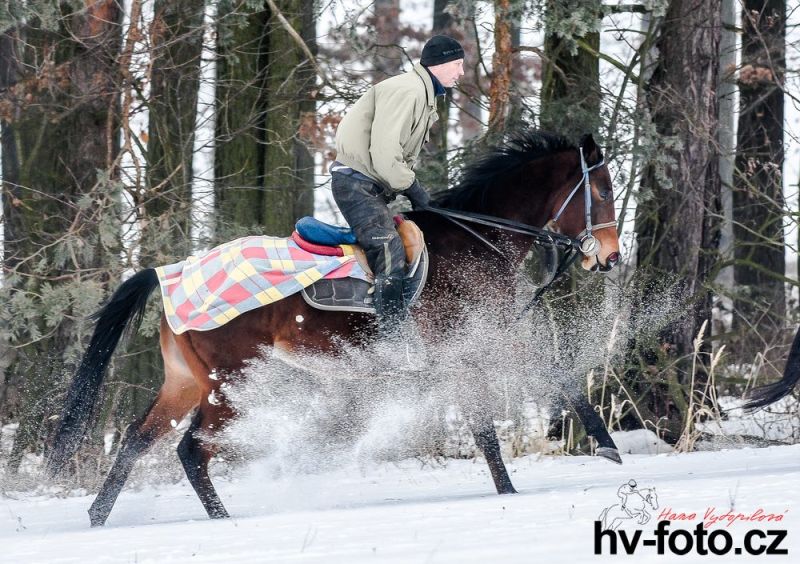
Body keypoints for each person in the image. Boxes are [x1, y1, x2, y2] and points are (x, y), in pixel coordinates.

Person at [331, 35, 465, 336]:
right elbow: (385, 155)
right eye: (457, 64)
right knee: (388, 248)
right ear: (440, 64)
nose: (461, 72)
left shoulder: (422, 94)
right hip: (356, 184)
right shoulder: (410, 92)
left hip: (369, 184)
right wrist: (414, 189)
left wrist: (413, 190)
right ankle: (389, 339)